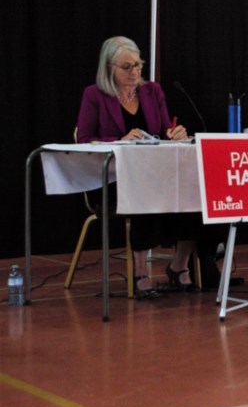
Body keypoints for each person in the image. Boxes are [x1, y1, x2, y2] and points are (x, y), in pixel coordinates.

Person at [76, 36, 196, 298]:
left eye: (138, 65)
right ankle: (141, 272)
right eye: (127, 67)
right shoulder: (94, 95)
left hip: (154, 173)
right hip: (113, 179)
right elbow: (84, 139)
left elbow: (164, 132)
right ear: (109, 68)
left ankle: (179, 266)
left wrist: (175, 133)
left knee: (193, 193)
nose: (135, 72)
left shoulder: (152, 91)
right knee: (146, 194)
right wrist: (119, 140)